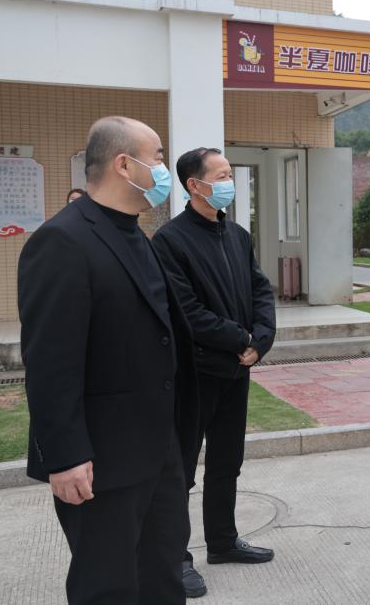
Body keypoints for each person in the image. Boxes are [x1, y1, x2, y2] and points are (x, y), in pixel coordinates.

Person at [18, 116, 199, 604]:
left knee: (163, 575)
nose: (163, 169)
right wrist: (65, 457)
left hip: (158, 451)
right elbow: (50, 360)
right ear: (124, 164)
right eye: (157, 157)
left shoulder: (138, 235)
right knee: (108, 586)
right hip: (101, 461)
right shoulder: (63, 240)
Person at [152, 148, 277, 598]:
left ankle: (222, 542)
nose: (229, 182)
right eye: (222, 175)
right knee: (181, 469)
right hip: (195, 373)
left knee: (227, 461)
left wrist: (261, 339)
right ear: (195, 185)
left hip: (237, 370)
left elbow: (260, 290)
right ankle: (176, 558)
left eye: (229, 174)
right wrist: (240, 339)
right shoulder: (169, 241)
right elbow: (185, 310)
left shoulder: (237, 235)